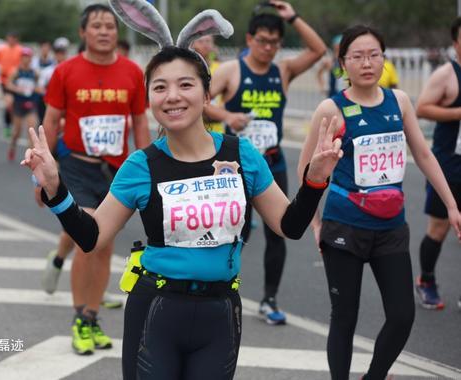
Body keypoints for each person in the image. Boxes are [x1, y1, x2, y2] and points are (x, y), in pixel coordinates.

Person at [22, 2, 342, 378]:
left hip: (220, 313)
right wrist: (57, 191)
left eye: (186, 84)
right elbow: (92, 237)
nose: (173, 96)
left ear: (207, 95)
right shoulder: (141, 165)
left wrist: (315, 180)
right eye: (160, 87)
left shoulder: (242, 155)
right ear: (151, 99)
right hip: (155, 311)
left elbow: (289, 225)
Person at [298, 25, 461, 380]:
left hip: (390, 227)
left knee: (402, 316)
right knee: (344, 316)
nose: (367, 63)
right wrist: (314, 223)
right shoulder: (331, 108)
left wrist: (451, 205)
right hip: (344, 225)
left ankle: (374, 376)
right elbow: (305, 171)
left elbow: (423, 154)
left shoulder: (398, 101)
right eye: (357, 56)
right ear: (343, 63)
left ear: (384, 60)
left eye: (374, 55)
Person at [206, 0, 327, 325]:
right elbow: (201, 104)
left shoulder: (283, 70)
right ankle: (217, 288)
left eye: (275, 42)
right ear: (249, 40)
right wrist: (228, 114)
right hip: (233, 169)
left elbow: (319, 50)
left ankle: (269, 298)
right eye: (262, 40)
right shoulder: (231, 70)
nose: (269, 47)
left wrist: (293, 16)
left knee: (280, 232)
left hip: (271, 165)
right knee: (231, 231)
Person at [40, 3, 151, 355]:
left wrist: (152, 164)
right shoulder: (65, 72)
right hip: (76, 166)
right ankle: (79, 319)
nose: (105, 31)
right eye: (98, 26)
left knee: (104, 247)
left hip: (116, 170)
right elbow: (52, 121)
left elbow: (141, 121)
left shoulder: (133, 72)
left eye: (110, 26)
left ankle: (92, 315)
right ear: (83, 32)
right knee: (86, 238)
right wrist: (43, 177)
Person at [414, 16, 461, 310]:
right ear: (456, 43)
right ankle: (427, 280)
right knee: (440, 227)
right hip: (449, 164)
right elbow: (422, 108)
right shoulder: (447, 74)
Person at [6, 47, 38, 162]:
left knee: (31, 129)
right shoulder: (16, 71)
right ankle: (12, 146)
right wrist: (17, 89)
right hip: (18, 104)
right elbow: (8, 84)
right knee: (17, 132)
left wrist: (37, 89)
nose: (26, 59)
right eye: (24, 57)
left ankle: (31, 157)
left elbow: (37, 86)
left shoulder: (34, 73)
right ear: (21, 58)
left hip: (30, 103)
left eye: (28, 57)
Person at [0, 32, 22, 139]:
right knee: (8, 104)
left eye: (13, 38)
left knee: (15, 105)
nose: (11, 40)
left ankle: (14, 125)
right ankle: (7, 125)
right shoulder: (1, 49)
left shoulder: (20, 50)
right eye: (9, 38)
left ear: (16, 39)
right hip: (4, 80)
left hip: (17, 81)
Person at [191, 34, 225, 134]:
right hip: (194, 127)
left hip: (217, 128)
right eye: (201, 41)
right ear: (193, 44)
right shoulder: (188, 68)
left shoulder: (221, 68)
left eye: (208, 41)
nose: (205, 45)